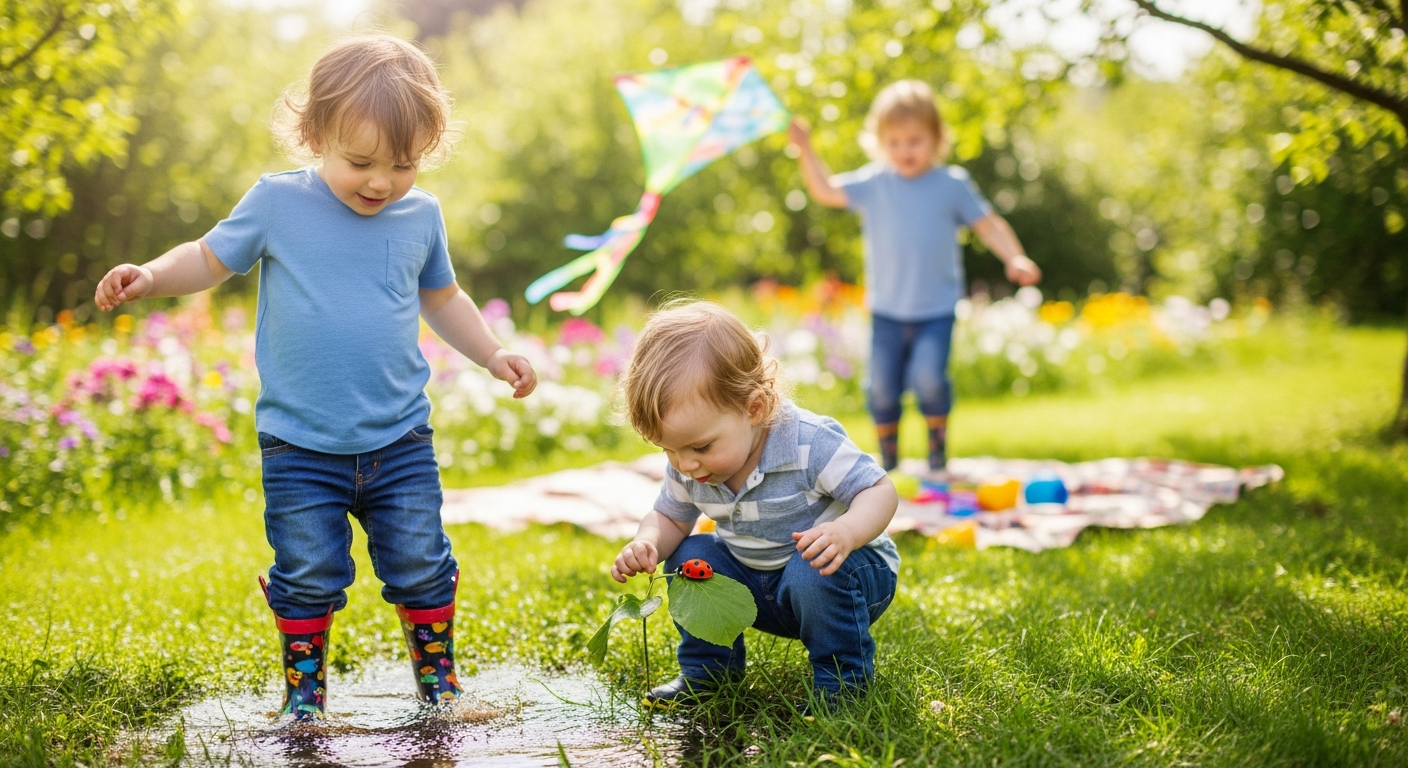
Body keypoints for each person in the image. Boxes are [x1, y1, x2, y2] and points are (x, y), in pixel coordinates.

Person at [93, 35, 538, 720]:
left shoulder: (421, 216)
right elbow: (209, 260)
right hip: (299, 446)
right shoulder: (278, 204)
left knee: (421, 563)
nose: (381, 182)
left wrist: (492, 354)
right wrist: (150, 276)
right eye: (360, 161)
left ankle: (440, 689)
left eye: (403, 163)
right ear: (314, 133)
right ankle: (305, 698)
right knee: (307, 574)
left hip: (400, 440)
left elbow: (443, 298)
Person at [611, 301, 899, 709]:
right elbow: (669, 517)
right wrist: (647, 542)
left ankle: (843, 686)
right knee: (689, 555)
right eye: (668, 450)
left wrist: (846, 532)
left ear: (755, 408)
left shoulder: (808, 442)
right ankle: (708, 672)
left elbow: (880, 490)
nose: (685, 464)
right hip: (759, 588)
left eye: (701, 447)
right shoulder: (690, 466)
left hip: (845, 577)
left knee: (809, 568)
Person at [789, 80, 1041, 473]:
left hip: (935, 309)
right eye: (894, 142)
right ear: (879, 141)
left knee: (928, 380)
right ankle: (888, 465)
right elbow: (825, 190)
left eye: (914, 140)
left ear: (936, 138)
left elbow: (988, 225)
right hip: (888, 310)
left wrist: (1015, 256)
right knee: (882, 389)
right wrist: (805, 149)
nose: (904, 150)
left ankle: (936, 456)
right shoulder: (874, 183)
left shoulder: (951, 185)